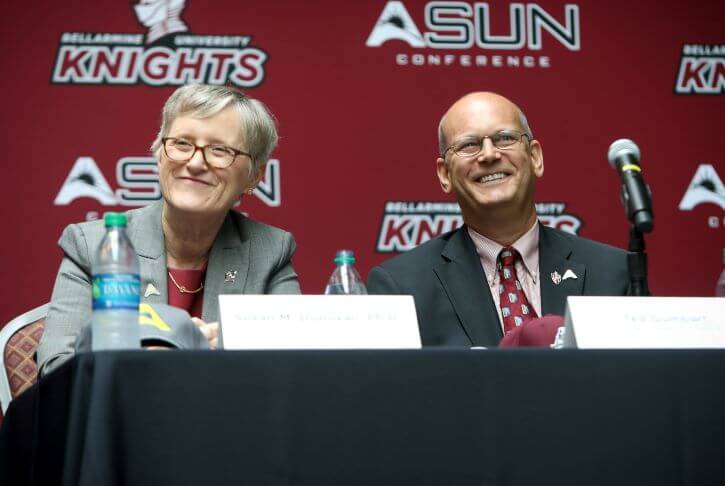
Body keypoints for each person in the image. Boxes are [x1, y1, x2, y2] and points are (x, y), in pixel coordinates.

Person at [37, 84, 300, 375]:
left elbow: (294, 366)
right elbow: (55, 370)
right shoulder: (92, 244)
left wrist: (202, 349)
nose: (196, 163)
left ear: (255, 176)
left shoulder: (270, 251)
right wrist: (154, 351)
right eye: (182, 144)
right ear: (159, 153)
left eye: (220, 150)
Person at [367, 92, 629, 347]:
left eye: (504, 138)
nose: (489, 155)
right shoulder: (402, 288)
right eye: (469, 145)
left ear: (535, 157)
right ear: (444, 174)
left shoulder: (613, 272)